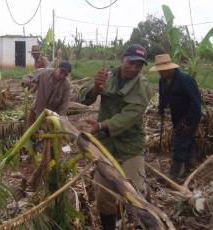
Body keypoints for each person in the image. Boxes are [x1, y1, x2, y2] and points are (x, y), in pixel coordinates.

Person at [79, 44, 151, 230]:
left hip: (130, 145)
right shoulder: (108, 76)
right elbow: (84, 98)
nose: (134, 68)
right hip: (105, 145)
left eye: (139, 65)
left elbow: (128, 117)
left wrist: (102, 125)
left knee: (136, 193)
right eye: (131, 63)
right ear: (122, 58)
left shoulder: (142, 87)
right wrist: (95, 87)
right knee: (103, 195)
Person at [150, 54, 202, 178]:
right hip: (176, 116)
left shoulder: (185, 80)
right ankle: (189, 168)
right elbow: (163, 97)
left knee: (179, 144)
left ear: (170, 68)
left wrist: (190, 122)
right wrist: (161, 109)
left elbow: (196, 103)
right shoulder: (162, 80)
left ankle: (174, 175)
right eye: (159, 71)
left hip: (189, 117)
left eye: (163, 70)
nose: (161, 73)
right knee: (186, 143)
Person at [25, 61, 72, 126]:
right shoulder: (44, 72)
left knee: (44, 133)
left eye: (65, 74)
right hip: (37, 109)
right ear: (57, 68)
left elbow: (65, 104)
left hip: (51, 115)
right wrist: (27, 80)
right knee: (29, 130)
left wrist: (59, 118)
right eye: (61, 72)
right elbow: (29, 77)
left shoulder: (66, 85)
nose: (62, 76)